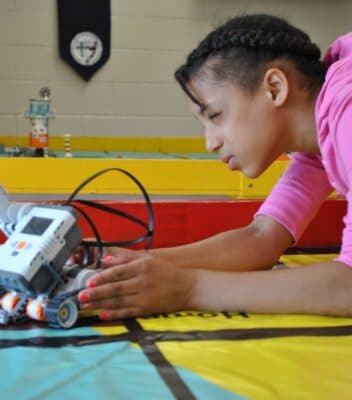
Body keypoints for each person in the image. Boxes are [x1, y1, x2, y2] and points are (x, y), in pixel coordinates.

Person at [77, 14, 352, 320]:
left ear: (274, 88)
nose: (210, 143)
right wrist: (138, 262)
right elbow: (262, 238)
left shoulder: (347, 109)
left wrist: (189, 289)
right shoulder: (319, 136)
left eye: (216, 115)